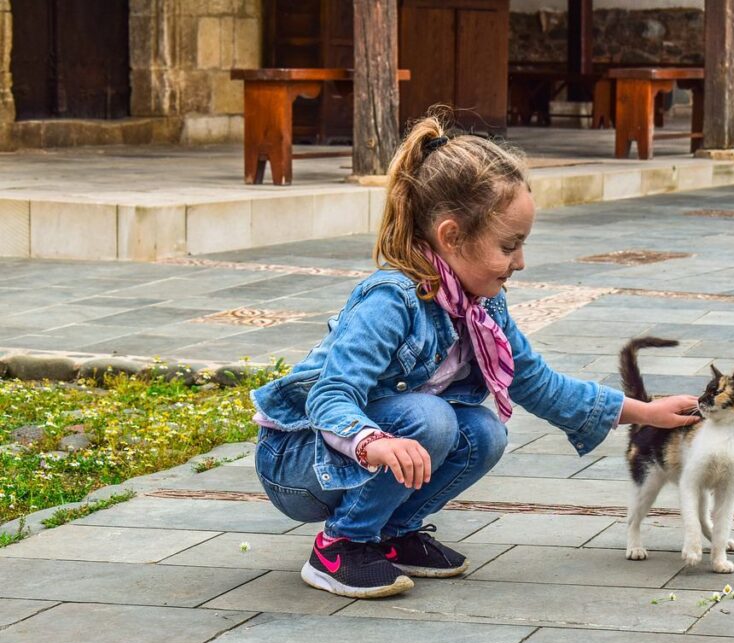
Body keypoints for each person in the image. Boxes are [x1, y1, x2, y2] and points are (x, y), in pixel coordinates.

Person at [250, 112, 701, 599]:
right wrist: (374, 443)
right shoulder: (390, 300)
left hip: (363, 452)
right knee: (433, 418)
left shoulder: (481, 307)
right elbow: (330, 395)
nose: (520, 261)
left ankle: (392, 533)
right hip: (299, 460)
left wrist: (647, 413)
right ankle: (340, 547)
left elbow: (541, 385)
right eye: (509, 245)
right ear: (450, 237)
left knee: (484, 431)